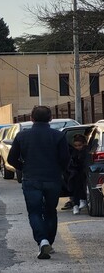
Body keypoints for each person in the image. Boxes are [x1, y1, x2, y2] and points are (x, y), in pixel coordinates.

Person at [7, 106, 70, 260]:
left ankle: (42, 241)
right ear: (50, 119)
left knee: (34, 212)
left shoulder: (22, 136)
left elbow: (11, 159)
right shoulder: (58, 136)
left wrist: (24, 168)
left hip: (31, 180)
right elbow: (65, 159)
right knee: (50, 210)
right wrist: (58, 170)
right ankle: (49, 242)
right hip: (53, 179)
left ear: (31, 118)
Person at [68, 134, 89, 215]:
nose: (78, 147)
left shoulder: (86, 151)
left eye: (79, 145)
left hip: (84, 173)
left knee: (82, 186)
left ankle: (81, 201)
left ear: (84, 144)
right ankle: (76, 204)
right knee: (76, 187)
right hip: (76, 173)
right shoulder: (74, 152)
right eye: (76, 146)